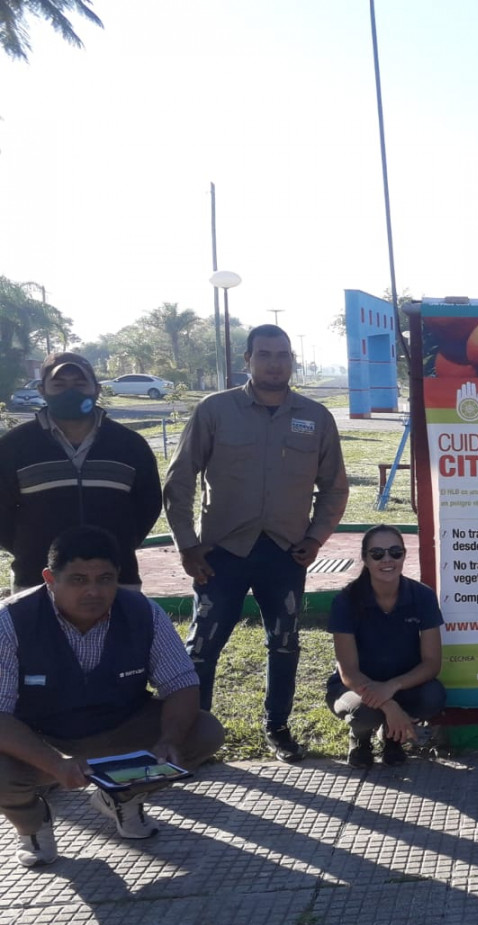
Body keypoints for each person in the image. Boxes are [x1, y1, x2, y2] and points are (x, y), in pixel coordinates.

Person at [163, 325, 348, 765]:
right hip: (221, 553)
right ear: (246, 360)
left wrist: (315, 537)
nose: (274, 363)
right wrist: (187, 545)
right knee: (203, 646)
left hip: (284, 553)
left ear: (292, 361)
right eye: (264, 354)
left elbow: (335, 487)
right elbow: (180, 479)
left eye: (283, 354)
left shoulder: (315, 417)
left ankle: (277, 728)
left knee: (284, 642)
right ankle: (195, 734)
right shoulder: (216, 410)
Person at [0, 526, 225, 868]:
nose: (93, 591)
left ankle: (122, 794)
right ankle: (32, 824)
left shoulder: (143, 612)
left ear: (118, 576)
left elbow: (181, 684)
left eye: (105, 579)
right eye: (77, 580)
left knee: (204, 731)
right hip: (40, 738)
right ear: (49, 578)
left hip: (120, 726)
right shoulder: (10, 621)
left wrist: (170, 739)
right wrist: (56, 764)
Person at [0, 353, 161, 590]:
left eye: (79, 384)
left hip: (115, 580)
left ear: (96, 389)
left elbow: (148, 506)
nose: (70, 391)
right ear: (42, 390)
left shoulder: (130, 445)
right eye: (59, 384)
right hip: (37, 580)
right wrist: (30, 549)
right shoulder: (14, 446)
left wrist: (119, 546)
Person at [327, 526, 446, 770]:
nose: (387, 560)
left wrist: (392, 687)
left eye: (395, 552)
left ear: (404, 555)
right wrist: (388, 704)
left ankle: (394, 739)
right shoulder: (345, 601)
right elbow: (348, 671)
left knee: (434, 697)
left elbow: (432, 663)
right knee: (363, 713)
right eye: (377, 554)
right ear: (365, 558)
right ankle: (360, 739)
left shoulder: (422, 596)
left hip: (403, 683)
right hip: (357, 686)